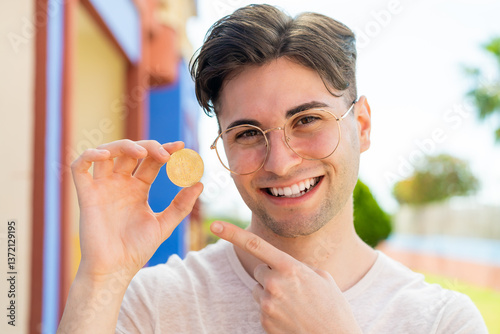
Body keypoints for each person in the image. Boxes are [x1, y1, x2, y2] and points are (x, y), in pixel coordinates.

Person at [57, 4, 487, 333]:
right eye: (247, 132)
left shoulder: (442, 320)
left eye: (307, 121)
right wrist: (103, 276)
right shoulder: (154, 303)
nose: (280, 162)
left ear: (363, 125)